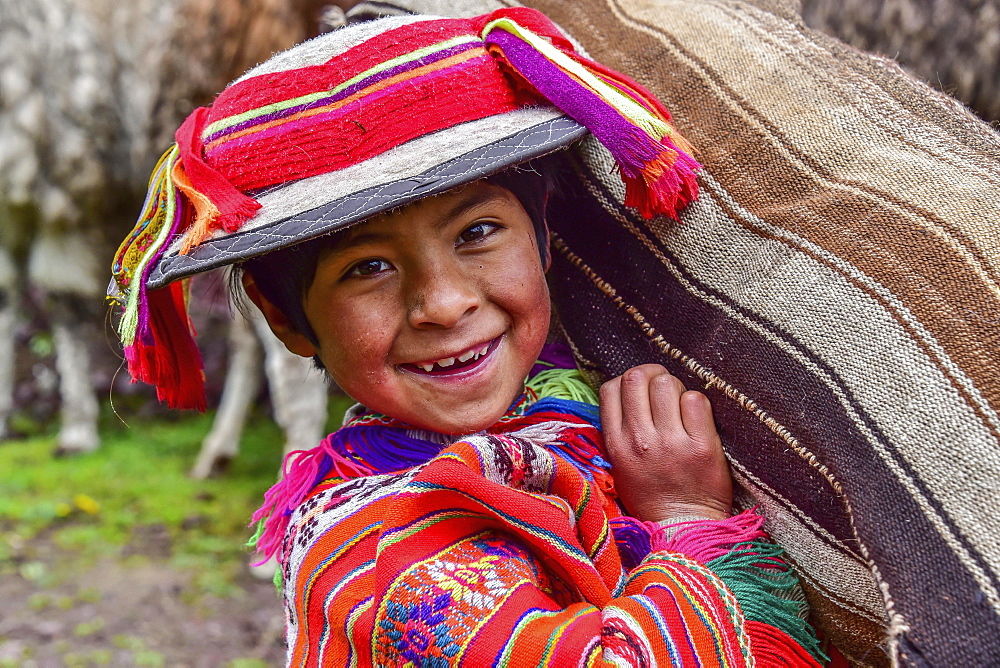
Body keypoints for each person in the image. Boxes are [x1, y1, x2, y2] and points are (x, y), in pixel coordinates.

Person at [109, 8, 825, 666]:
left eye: (478, 232)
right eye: (369, 268)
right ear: (286, 318)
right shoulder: (378, 553)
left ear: (544, 233)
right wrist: (686, 520)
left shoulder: (562, 406)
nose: (444, 304)